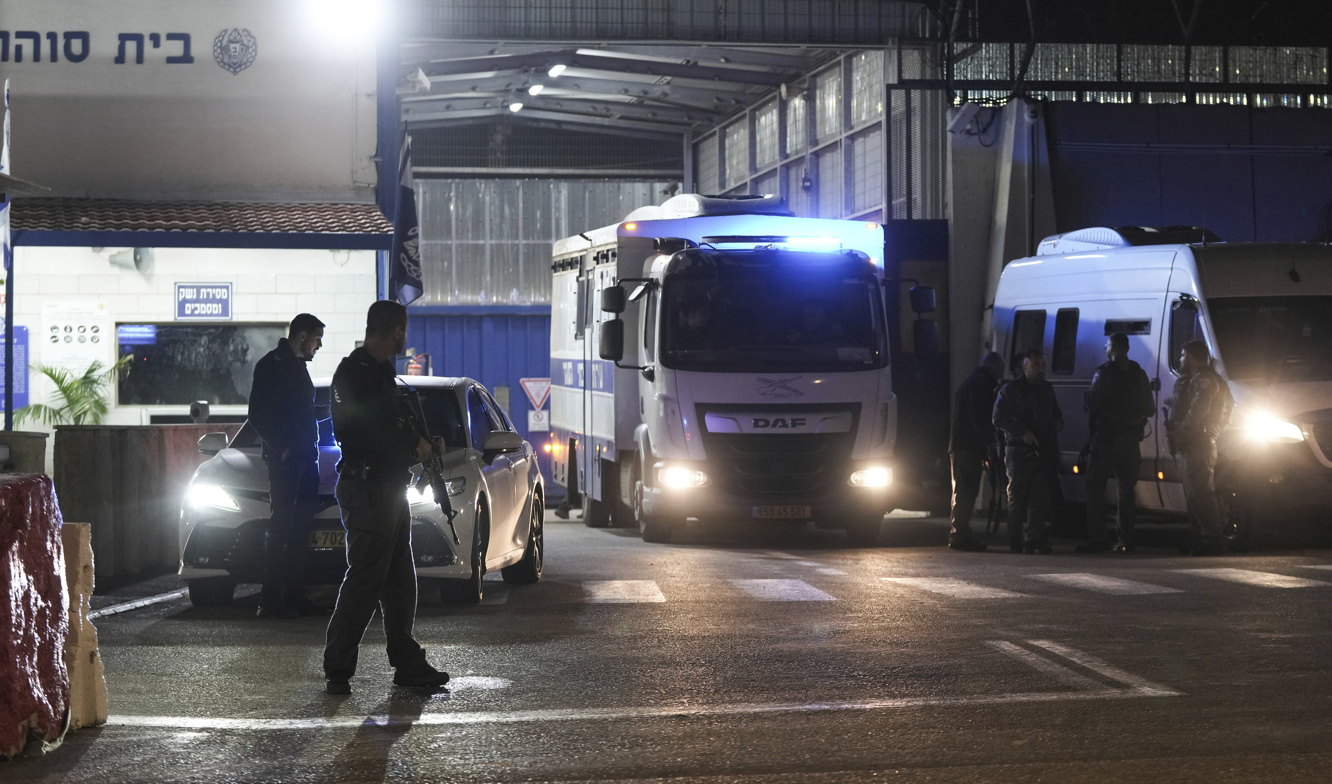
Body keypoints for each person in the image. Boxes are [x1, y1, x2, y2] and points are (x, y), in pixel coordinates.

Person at [323, 300, 450, 695]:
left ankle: (407, 660)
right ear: (396, 331)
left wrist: (422, 444)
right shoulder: (357, 373)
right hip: (370, 486)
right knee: (365, 577)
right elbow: (371, 430)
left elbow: (389, 425)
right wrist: (415, 443)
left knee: (398, 579)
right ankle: (338, 667)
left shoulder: (377, 372)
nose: (405, 338)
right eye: (404, 331)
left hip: (387, 486)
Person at [247, 313, 326, 619]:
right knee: (281, 530)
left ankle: (295, 596)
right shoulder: (272, 366)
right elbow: (257, 413)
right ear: (303, 335)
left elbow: (300, 412)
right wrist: (282, 448)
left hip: (306, 461)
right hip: (288, 462)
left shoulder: (296, 367)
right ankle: (270, 600)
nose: (319, 346)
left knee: (299, 532)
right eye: (317, 339)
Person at [1078, 332, 1155, 554]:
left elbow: (1092, 403)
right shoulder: (1139, 374)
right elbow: (1149, 408)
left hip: (1106, 439)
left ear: (1114, 347)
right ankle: (1126, 540)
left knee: (1094, 486)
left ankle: (1098, 539)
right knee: (1127, 490)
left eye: (1108, 345)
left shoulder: (1103, 373)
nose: (1105, 348)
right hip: (1130, 440)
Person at [993, 349, 1064, 554]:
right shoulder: (1011, 390)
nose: (1040, 370)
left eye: (1042, 366)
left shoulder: (1046, 389)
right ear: (1024, 367)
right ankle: (1015, 539)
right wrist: (1021, 432)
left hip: (1042, 451)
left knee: (1039, 499)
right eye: (1035, 366)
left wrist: (1057, 424)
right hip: (1019, 452)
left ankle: (1033, 539)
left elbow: (1056, 414)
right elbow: (998, 417)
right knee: (1017, 497)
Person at [1166, 340, 1233, 556]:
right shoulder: (1200, 379)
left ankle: (1212, 540)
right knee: (1193, 494)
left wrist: (1182, 433)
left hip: (1198, 442)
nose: (1181, 360)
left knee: (1201, 493)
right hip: (1195, 441)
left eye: (1184, 355)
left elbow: (1198, 410)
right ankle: (1199, 538)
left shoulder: (1204, 379)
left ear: (1193, 358)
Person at [947, 351, 1005, 551]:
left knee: (963, 489)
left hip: (962, 445)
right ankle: (959, 534)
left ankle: (959, 532)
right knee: (966, 490)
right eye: (1000, 370)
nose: (1000, 375)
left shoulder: (972, 381)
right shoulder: (981, 385)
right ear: (994, 368)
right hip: (968, 447)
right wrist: (989, 444)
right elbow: (980, 419)